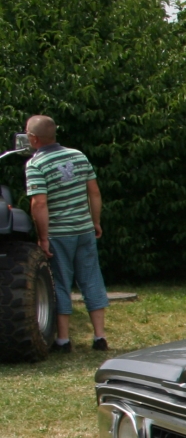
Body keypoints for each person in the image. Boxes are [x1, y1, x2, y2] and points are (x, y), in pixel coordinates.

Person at [24, 115, 108, 352]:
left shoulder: (36, 164)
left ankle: (63, 339)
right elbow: (94, 192)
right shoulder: (78, 156)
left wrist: (42, 237)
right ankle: (99, 336)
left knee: (60, 282)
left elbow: (39, 203)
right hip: (84, 229)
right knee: (91, 278)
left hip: (59, 233)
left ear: (33, 138)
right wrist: (95, 221)